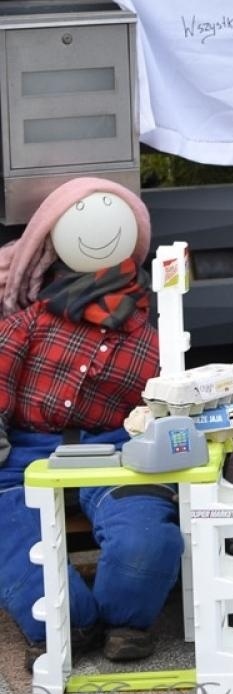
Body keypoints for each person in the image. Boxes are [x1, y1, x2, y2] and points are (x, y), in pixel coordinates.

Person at [0, 178, 178, 665]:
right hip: (26, 451)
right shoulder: (33, 320)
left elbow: (166, 390)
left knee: (146, 531)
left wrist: (163, 416)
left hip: (115, 448)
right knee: (8, 531)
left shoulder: (149, 333)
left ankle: (126, 619)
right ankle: (63, 622)